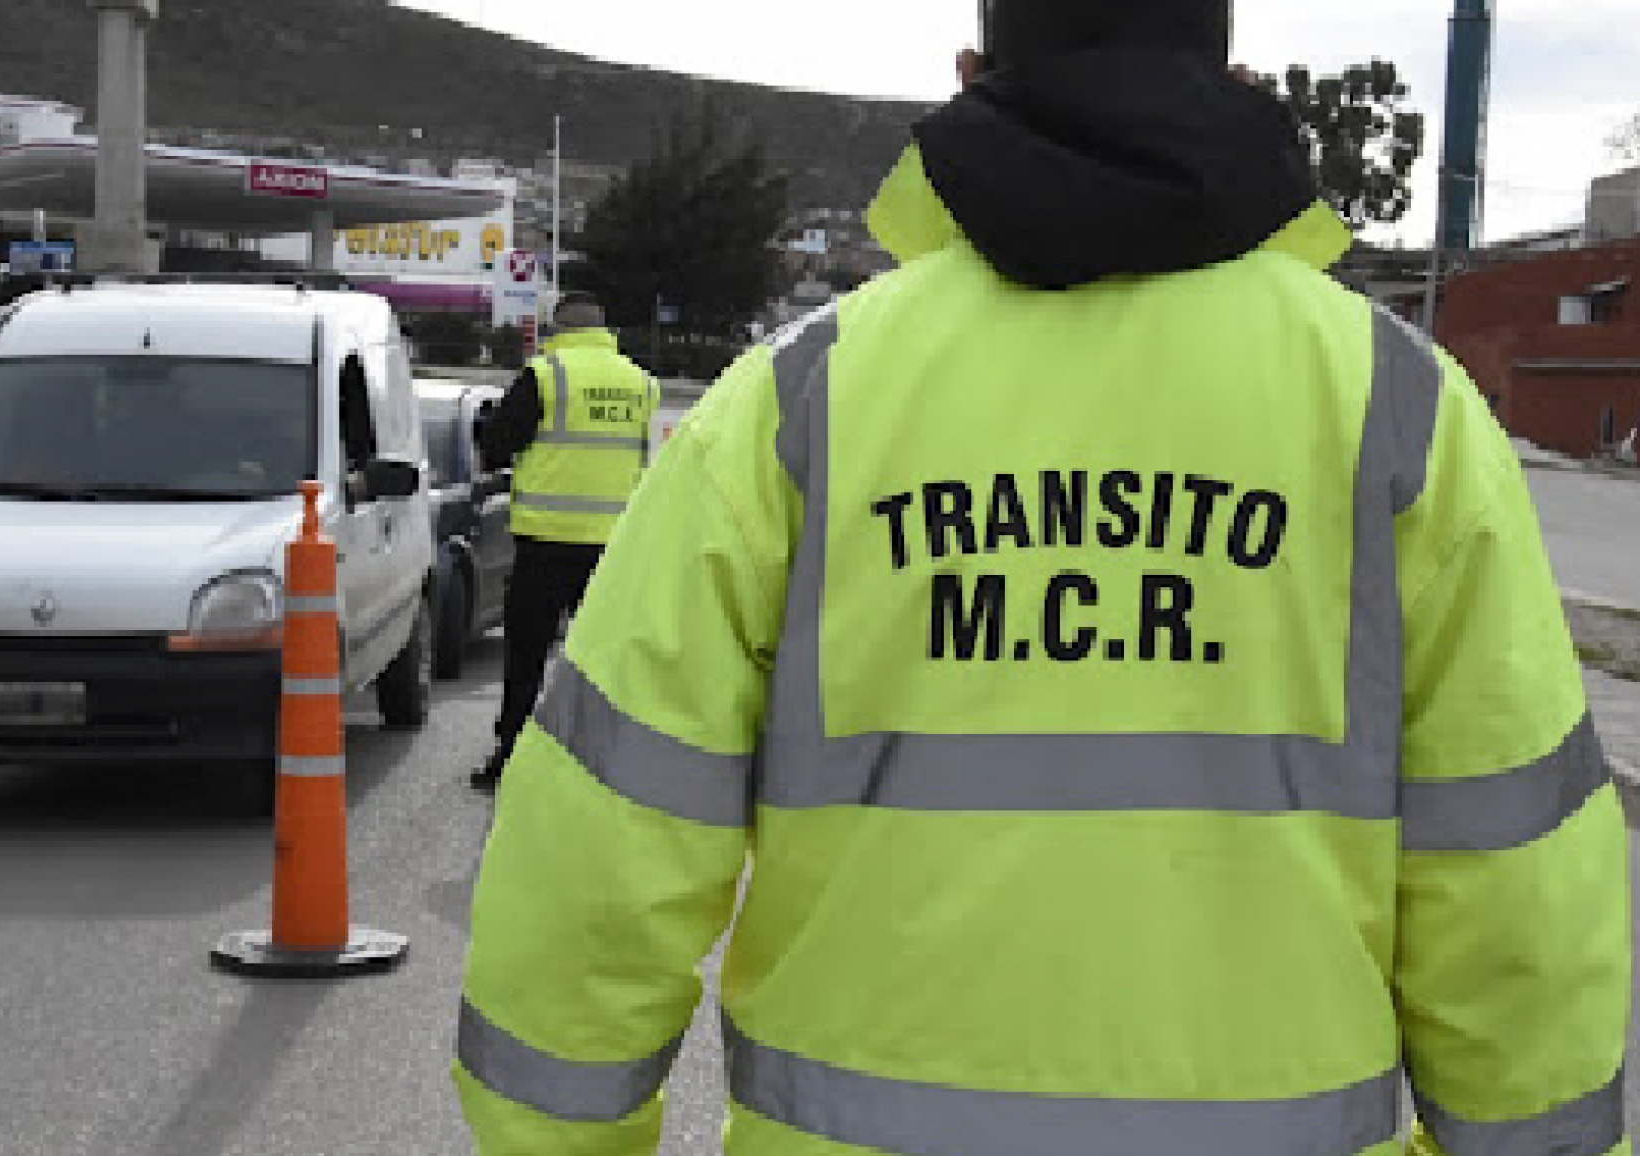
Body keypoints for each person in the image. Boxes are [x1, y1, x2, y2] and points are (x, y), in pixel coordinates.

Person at [453, 2, 1632, 1154]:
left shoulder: (795, 407)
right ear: (1232, 78)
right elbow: (1514, 895)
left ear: (970, 74)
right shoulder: (1400, 413)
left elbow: (594, 878)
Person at [470, 291, 659, 790]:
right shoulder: (640, 383)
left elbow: (495, 447)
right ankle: (608, 764)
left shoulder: (546, 376)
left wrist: (488, 432)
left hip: (544, 542)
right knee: (604, 663)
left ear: (559, 330)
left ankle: (510, 756)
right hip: (613, 548)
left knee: (526, 657)